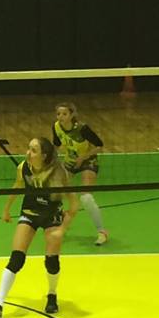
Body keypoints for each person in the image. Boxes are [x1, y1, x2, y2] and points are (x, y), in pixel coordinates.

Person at [0, 137, 78, 318]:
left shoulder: (58, 173)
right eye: (28, 148)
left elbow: (74, 204)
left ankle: (52, 294)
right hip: (29, 213)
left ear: (44, 156)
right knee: (16, 259)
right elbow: (17, 185)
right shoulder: (24, 167)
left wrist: (62, 229)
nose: (28, 153)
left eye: (33, 150)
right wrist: (6, 209)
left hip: (51, 215)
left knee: (51, 261)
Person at [52, 102, 107, 246]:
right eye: (58, 114)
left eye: (64, 114)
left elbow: (100, 146)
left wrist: (83, 157)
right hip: (70, 161)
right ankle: (60, 221)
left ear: (72, 115)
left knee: (86, 197)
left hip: (88, 160)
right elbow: (56, 145)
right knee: (54, 191)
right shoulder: (56, 127)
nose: (60, 117)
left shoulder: (82, 129)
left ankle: (102, 232)